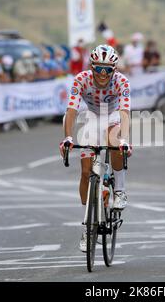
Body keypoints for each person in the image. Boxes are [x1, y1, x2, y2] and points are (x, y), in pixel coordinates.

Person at [59, 45, 132, 252]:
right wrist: (68, 137)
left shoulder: (122, 81)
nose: (102, 74)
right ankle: (89, 224)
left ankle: (119, 190)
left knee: (114, 142)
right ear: (91, 67)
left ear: (114, 70)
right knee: (85, 172)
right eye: (98, 69)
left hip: (113, 115)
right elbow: (72, 110)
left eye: (107, 69)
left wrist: (124, 140)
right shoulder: (81, 79)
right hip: (90, 117)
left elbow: (125, 112)